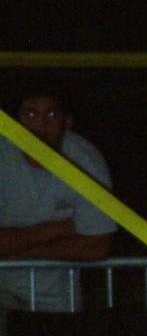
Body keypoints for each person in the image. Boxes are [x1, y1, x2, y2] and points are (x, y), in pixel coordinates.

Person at [0, 81, 116, 313]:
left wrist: (19, 251)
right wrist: (62, 228)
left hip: (56, 296)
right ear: (17, 121)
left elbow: (97, 246)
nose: (40, 124)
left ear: (67, 121)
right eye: (30, 114)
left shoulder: (86, 161)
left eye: (51, 114)